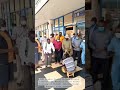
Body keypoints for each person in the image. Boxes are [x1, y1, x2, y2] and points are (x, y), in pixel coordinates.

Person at [90, 20, 112, 89]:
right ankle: (94, 85)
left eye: (102, 26)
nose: (100, 27)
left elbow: (112, 43)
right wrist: (94, 48)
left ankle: (105, 86)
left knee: (105, 73)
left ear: (104, 26)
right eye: (99, 26)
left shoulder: (108, 33)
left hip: (105, 57)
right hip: (95, 56)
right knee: (94, 72)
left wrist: (107, 48)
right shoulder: (94, 33)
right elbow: (90, 42)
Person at [11, 16, 29, 85]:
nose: (23, 21)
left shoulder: (28, 29)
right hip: (18, 50)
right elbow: (13, 39)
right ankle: (19, 80)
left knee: (25, 66)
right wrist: (15, 48)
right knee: (19, 66)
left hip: (26, 51)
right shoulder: (16, 29)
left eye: (24, 20)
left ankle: (24, 79)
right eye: (22, 20)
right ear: (20, 21)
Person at [0, 19, 15, 90]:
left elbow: (10, 43)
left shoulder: (6, 33)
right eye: (2, 24)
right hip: (2, 63)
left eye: (4, 24)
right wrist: (10, 50)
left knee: (7, 82)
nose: (4, 25)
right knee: (2, 83)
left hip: (9, 61)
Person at [107, 26, 120, 90]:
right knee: (114, 75)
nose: (118, 33)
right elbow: (109, 49)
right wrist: (110, 53)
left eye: (119, 32)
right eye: (117, 32)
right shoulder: (114, 39)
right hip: (116, 60)